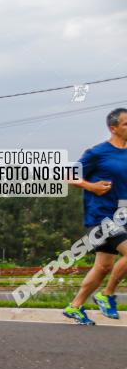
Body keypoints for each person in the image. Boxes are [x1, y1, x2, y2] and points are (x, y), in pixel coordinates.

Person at [64, 107, 127, 325]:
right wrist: (91, 187)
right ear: (114, 128)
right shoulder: (98, 152)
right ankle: (106, 294)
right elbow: (69, 176)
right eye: (126, 124)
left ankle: (75, 307)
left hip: (121, 217)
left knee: (103, 267)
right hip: (101, 216)